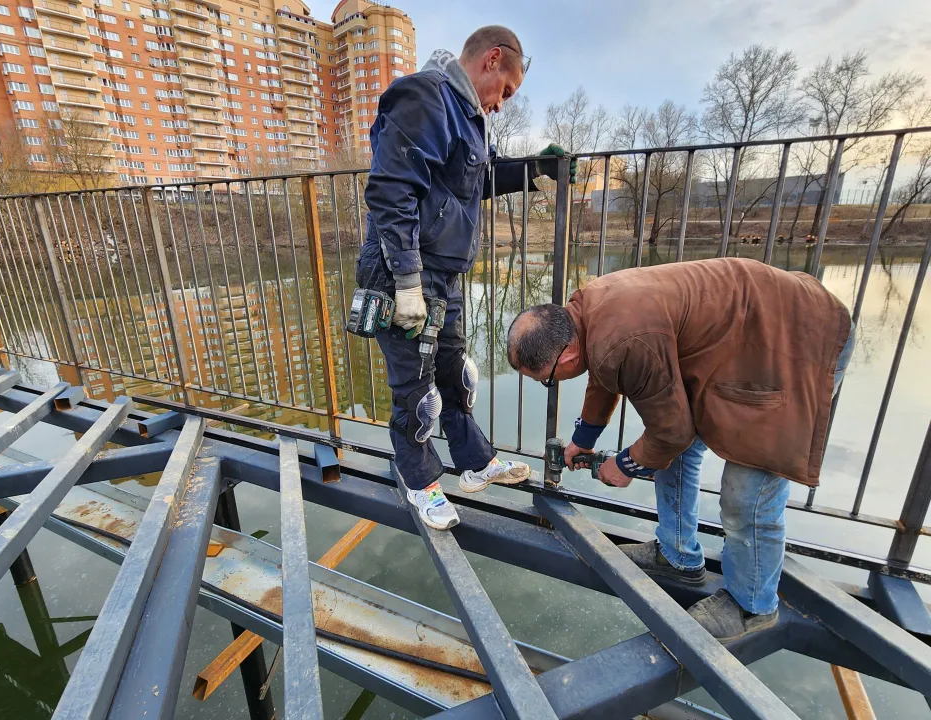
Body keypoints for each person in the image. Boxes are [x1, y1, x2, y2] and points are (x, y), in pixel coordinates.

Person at [506, 258, 854, 641]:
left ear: (566, 356)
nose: (550, 383)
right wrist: (583, 439)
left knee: (747, 487)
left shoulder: (619, 339)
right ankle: (678, 556)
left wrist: (626, 465)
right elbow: (608, 376)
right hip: (747, 339)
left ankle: (753, 605)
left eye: (546, 380)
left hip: (803, 341)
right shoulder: (586, 312)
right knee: (669, 448)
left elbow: (672, 432)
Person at [356, 26, 577, 530]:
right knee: (414, 388)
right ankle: (421, 484)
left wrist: (535, 168)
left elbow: (476, 181)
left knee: (453, 372)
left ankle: (474, 463)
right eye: (506, 90)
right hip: (403, 273)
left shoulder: (466, 113)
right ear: (491, 60)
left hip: (443, 275)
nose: (502, 105)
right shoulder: (425, 95)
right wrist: (407, 282)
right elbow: (390, 192)